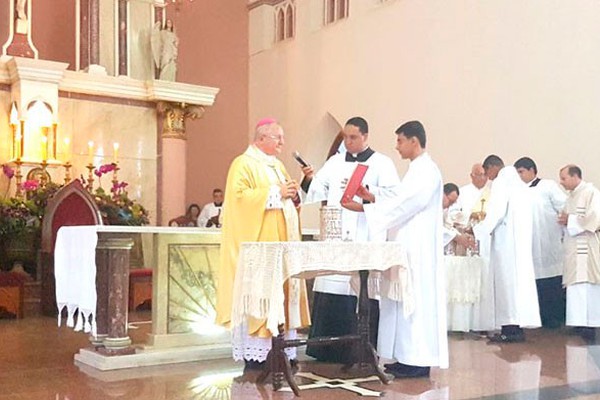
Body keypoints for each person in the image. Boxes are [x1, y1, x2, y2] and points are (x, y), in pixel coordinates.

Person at [342, 120, 448, 378]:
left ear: (414, 141)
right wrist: (372, 196)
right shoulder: (416, 170)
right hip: (406, 245)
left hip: (418, 250)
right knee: (399, 300)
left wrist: (366, 208)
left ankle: (417, 359)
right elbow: (400, 196)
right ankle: (403, 356)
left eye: (400, 141)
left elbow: (407, 203)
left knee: (413, 299)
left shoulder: (427, 170)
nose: (397, 146)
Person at [302, 116, 401, 363]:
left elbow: (393, 197)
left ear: (365, 137)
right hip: (338, 232)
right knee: (333, 283)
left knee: (362, 287)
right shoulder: (335, 162)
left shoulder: (383, 163)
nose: (348, 141)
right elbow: (318, 188)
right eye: (345, 137)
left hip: (365, 230)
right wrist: (307, 178)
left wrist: (368, 193)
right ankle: (327, 348)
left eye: (353, 137)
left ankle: (361, 348)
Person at [214, 118, 310, 371]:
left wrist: (294, 192)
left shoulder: (278, 166)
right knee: (261, 296)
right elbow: (238, 200)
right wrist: (277, 193)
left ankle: (283, 352)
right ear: (261, 138)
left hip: (282, 247)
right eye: (278, 137)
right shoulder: (243, 163)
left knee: (281, 295)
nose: (282, 142)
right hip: (260, 249)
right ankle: (259, 356)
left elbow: (289, 200)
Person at [472, 155, 540, 343]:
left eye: (488, 173)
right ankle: (513, 328)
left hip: (506, 245)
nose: (488, 178)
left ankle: (510, 330)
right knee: (515, 286)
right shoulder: (519, 184)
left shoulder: (502, 182)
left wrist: (476, 232)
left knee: (506, 286)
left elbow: (496, 213)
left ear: (493, 167)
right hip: (519, 244)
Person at [514, 156, 566, 328]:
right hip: (526, 244)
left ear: (531, 170)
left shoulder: (548, 186)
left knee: (550, 280)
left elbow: (564, 207)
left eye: (521, 172)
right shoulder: (516, 191)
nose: (519, 176)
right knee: (532, 281)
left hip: (547, 241)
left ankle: (554, 319)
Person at [558, 165, 600, 342]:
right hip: (574, 248)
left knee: (587, 286)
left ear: (575, 176)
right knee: (576, 287)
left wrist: (571, 220)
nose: (561, 182)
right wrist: (564, 221)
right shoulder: (571, 197)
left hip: (587, 248)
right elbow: (567, 219)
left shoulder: (591, 193)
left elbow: (595, 218)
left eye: (564, 178)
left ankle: (591, 324)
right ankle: (578, 322)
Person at [442, 183, 475, 250]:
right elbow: (438, 230)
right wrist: (457, 237)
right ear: (442, 194)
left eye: (453, 203)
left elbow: (448, 227)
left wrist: (460, 235)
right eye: (450, 201)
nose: (450, 205)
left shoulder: (444, 210)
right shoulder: (431, 209)